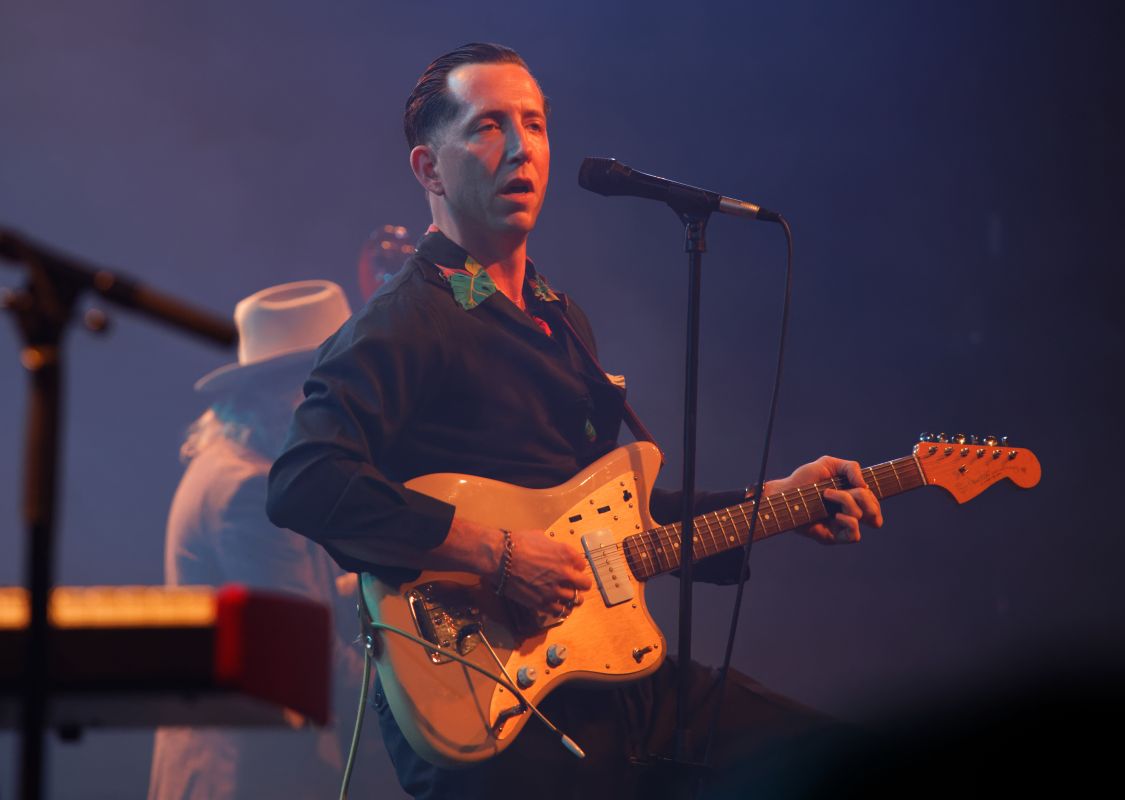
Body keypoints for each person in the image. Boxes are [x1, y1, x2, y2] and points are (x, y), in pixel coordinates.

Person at [266, 43, 883, 799]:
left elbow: (611, 520)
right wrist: (498, 554)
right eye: (488, 126)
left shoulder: (558, 318)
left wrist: (776, 499)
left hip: (608, 672)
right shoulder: (406, 319)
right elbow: (305, 480)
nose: (521, 146)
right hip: (494, 701)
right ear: (429, 170)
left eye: (533, 123)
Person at [148, 280, 366, 800]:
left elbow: (287, 595)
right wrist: (425, 697)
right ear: (289, 392)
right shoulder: (248, 490)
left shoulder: (233, 465)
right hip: (247, 774)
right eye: (337, 388)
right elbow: (305, 656)